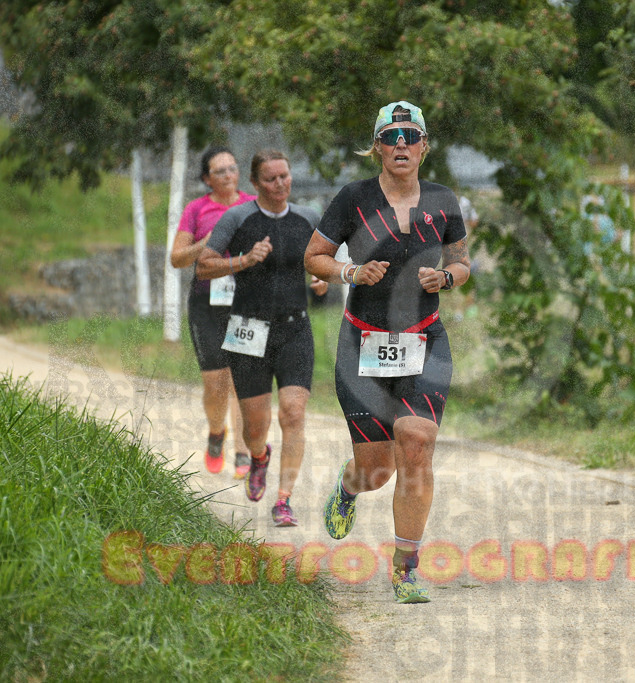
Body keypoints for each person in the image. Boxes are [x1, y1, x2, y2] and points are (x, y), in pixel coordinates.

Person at [304, 100, 471, 604]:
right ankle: (350, 487)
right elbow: (313, 256)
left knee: (415, 443)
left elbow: (462, 264)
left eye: (411, 136)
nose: (402, 144)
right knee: (378, 469)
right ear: (376, 147)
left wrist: (444, 277)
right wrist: (350, 272)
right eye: (391, 136)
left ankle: (406, 567)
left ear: (424, 146)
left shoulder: (443, 200)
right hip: (363, 344)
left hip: (424, 338)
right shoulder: (353, 198)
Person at [196, 150, 328, 527]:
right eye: (271, 179)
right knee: (255, 427)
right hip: (247, 329)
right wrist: (244, 260)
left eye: (285, 176)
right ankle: (258, 457)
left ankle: (283, 499)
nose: (281, 184)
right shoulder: (238, 218)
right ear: (254, 184)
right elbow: (204, 264)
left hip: (294, 329)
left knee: (293, 412)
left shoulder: (308, 218)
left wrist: (322, 278)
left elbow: (326, 262)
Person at [170, 147, 255, 478]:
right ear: (207, 178)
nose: (228, 175)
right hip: (206, 304)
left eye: (232, 168)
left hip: (246, 302)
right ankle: (216, 431)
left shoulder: (252, 205)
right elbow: (176, 258)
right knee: (215, 384)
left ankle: (243, 452)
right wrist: (202, 244)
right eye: (220, 171)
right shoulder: (197, 209)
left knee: (242, 380)